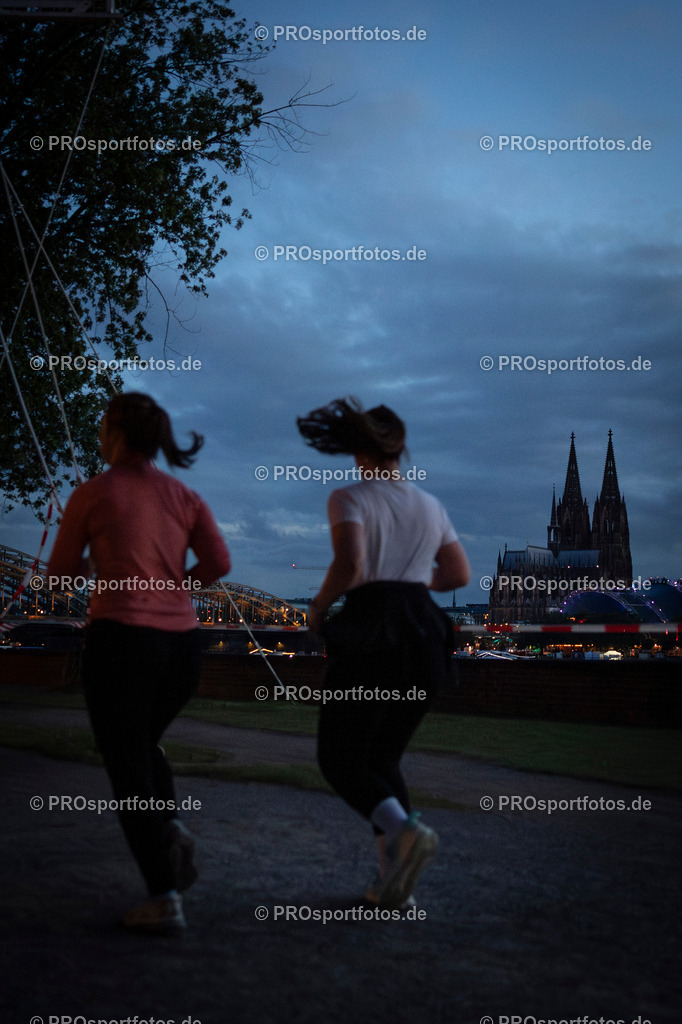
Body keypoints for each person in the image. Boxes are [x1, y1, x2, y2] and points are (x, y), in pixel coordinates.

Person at [47, 391, 231, 933]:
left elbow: (59, 579)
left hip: (122, 643)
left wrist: (94, 560)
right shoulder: (184, 494)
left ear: (115, 432)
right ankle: (169, 830)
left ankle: (163, 895)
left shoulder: (93, 494)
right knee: (144, 745)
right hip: (181, 649)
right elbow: (219, 562)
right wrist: (178, 586)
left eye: (103, 428)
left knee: (126, 765)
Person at [297, 397, 470, 909]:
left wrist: (319, 609)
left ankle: (408, 832)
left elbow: (350, 564)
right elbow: (459, 576)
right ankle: (394, 885)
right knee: (383, 760)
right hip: (425, 636)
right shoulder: (430, 505)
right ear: (400, 447)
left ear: (359, 449)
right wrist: (416, 584)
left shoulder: (349, 498)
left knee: (339, 759)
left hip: (374, 634)